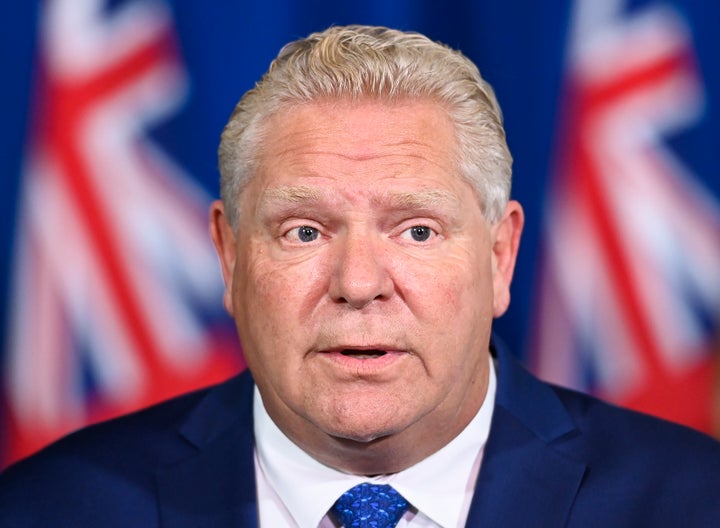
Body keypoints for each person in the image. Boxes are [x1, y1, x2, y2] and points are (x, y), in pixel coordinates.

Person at [1, 24, 719, 528]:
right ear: (228, 254)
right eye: (305, 231)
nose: (359, 282)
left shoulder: (692, 502)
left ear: (500, 256)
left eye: (416, 229)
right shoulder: (49, 509)